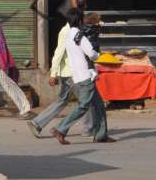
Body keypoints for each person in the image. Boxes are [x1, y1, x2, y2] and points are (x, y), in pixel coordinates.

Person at [52, 13, 115, 145]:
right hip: (85, 76)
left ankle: (101, 135)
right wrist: (100, 55)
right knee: (83, 106)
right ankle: (61, 129)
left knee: (99, 106)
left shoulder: (69, 35)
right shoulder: (80, 36)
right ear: (79, 21)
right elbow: (92, 54)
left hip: (78, 75)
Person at [26, 22, 93, 138]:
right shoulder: (67, 31)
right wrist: (53, 73)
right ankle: (88, 129)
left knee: (62, 101)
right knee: (87, 102)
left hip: (69, 73)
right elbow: (58, 52)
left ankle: (37, 122)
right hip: (72, 74)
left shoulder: (73, 31)